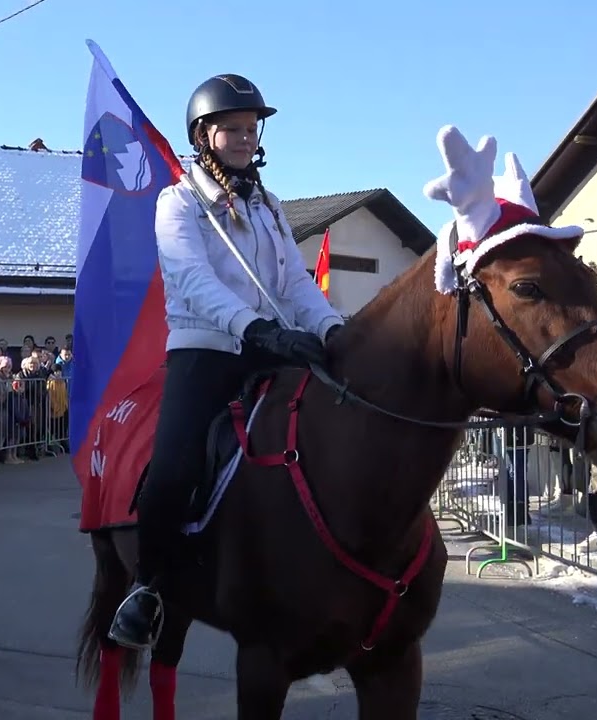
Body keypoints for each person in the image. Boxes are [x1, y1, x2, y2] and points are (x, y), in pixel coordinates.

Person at [107, 74, 346, 650]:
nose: (244, 138)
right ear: (204, 135)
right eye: (233, 129)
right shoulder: (177, 201)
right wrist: (255, 327)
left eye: (250, 128)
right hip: (205, 353)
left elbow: (294, 283)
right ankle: (149, 586)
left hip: (274, 350)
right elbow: (191, 279)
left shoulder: (270, 207)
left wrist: (334, 330)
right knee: (174, 467)